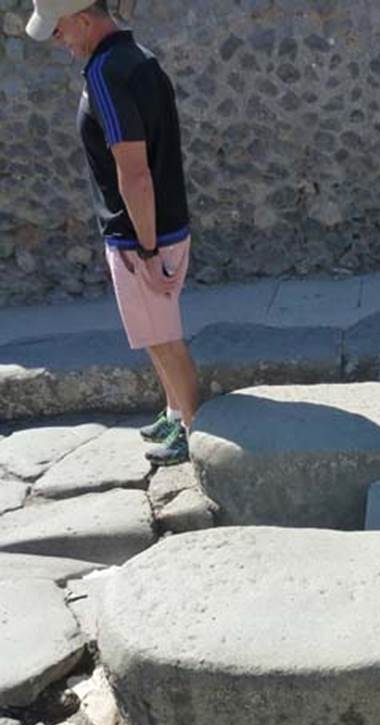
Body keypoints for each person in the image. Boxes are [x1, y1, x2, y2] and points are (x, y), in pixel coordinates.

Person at [26, 0, 198, 465]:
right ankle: (173, 408)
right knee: (152, 332)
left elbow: (134, 172)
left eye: (59, 30)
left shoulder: (104, 72)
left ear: (84, 19)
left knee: (164, 337)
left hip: (141, 235)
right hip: (161, 224)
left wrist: (145, 246)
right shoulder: (139, 58)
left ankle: (192, 429)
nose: (57, 42)